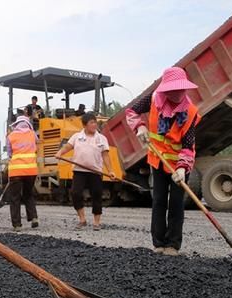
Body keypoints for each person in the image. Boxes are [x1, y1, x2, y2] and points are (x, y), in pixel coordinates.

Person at [126, 67, 201, 256]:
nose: (177, 94)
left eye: (180, 90)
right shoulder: (153, 99)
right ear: (165, 90)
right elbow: (131, 112)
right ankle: (158, 243)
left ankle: (173, 245)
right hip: (157, 161)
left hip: (179, 164)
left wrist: (183, 168)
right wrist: (140, 127)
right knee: (159, 200)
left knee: (176, 202)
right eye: (173, 90)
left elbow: (188, 144)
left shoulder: (190, 112)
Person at [55, 112, 115, 231]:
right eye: (91, 123)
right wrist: (60, 153)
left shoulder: (101, 138)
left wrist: (111, 171)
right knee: (75, 193)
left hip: (96, 171)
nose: (94, 125)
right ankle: (82, 219)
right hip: (79, 171)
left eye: (95, 122)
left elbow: (106, 156)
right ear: (84, 125)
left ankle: (96, 222)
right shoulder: (77, 137)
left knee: (97, 195)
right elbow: (68, 147)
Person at [6, 116, 39, 231]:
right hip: (31, 170)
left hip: (16, 171)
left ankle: (17, 225)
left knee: (15, 198)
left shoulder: (11, 136)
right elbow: (36, 148)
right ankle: (33, 217)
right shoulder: (32, 134)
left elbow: (9, 154)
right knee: (28, 194)